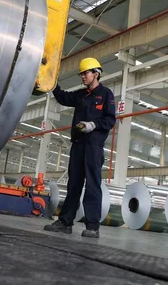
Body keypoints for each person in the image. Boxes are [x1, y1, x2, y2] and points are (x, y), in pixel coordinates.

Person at [44, 57, 116, 238]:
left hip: (94, 147)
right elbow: (63, 97)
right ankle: (65, 222)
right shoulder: (81, 95)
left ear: (96, 73)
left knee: (92, 185)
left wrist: (93, 125)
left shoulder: (106, 94)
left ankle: (92, 226)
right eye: (82, 74)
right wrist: (53, 85)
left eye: (85, 73)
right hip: (78, 146)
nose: (83, 77)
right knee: (73, 184)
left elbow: (110, 120)